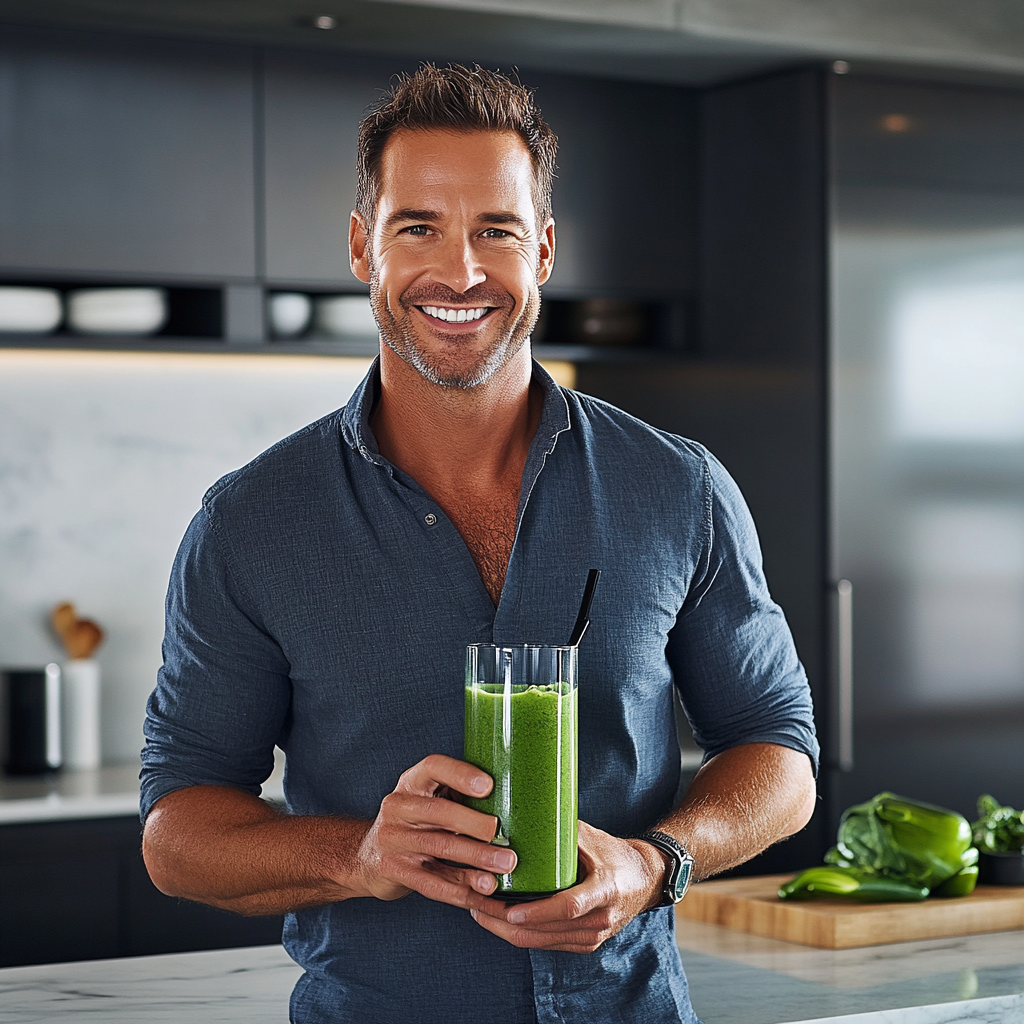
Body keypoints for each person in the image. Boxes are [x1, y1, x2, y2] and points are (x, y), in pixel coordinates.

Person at [141, 64, 818, 1024]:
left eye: (495, 231)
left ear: (541, 251)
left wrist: (652, 862)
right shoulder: (252, 524)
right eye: (418, 227)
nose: (459, 273)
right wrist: (360, 855)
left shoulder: (677, 488)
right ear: (360, 249)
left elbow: (779, 748)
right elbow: (177, 832)